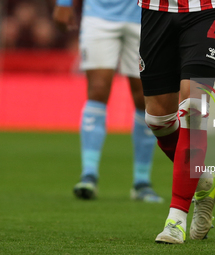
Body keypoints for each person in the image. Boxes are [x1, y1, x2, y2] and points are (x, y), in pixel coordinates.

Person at [138, 0, 215, 243]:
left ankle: (176, 219)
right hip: (156, 9)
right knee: (158, 119)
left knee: (193, 108)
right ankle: (205, 181)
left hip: (207, 9)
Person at [53, 0, 163, 203]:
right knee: (97, 89)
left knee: (144, 96)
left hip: (146, 14)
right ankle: (89, 175)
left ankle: (141, 181)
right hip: (99, 15)